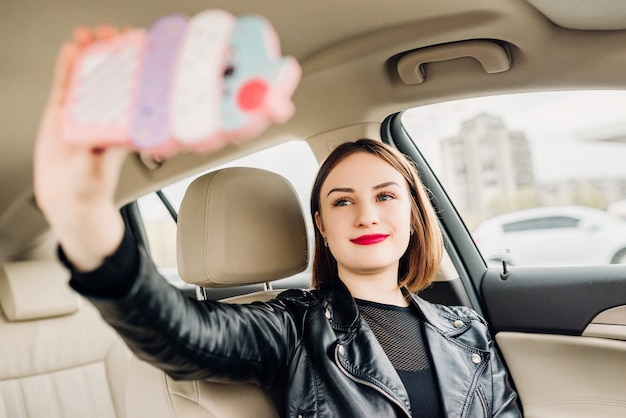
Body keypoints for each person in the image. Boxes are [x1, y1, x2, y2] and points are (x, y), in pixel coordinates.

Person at [34, 28, 521, 418]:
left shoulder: (467, 329)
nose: (367, 214)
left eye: (386, 195)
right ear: (322, 228)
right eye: (342, 202)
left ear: (413, 217)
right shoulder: (293, 324)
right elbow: (181, 336)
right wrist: (86, 222)